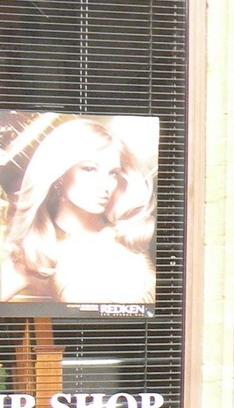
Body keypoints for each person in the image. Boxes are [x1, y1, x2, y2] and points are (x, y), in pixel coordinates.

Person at [0, 119, 155, 308]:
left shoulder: (134, 235)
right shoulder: (37, 254)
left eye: (113, 173)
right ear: (60, 173)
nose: (105, 184)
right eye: (89, 169)